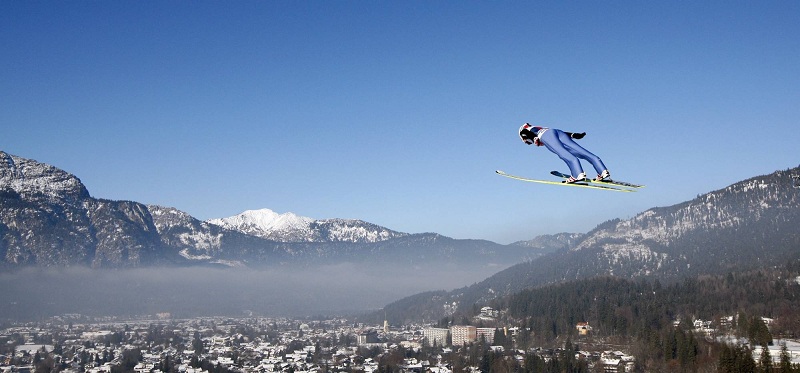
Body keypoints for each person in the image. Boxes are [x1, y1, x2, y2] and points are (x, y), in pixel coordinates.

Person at [518, 123, 611, 183]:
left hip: (546, 136)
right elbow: (560, 133)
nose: (528, 144)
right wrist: (574, 135)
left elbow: (524, 132)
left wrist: (534, 138)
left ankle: (577, 174)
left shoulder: (525, 130)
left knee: (563, 153)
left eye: (527, 142)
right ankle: (602, 171)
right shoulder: (540, 127)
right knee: (580, 151)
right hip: (557, 131)